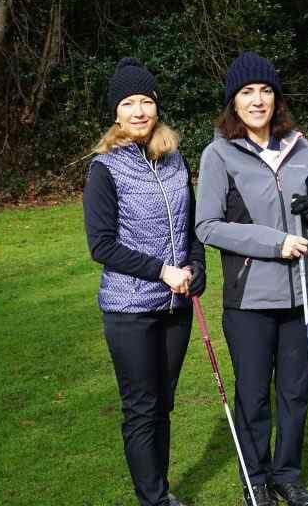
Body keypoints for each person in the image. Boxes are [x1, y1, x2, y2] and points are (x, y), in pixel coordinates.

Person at [195, 52, 308, 506]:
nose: (258, 100)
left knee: (295, 392)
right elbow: (207, 226)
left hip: (304, 291)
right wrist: (274, 243)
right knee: (253, 397)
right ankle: (255, 482)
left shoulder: (299, 146)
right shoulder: (218, 154)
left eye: (266, 91)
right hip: (250, 298)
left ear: (277, 98)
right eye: (247, 92)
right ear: (233, 102)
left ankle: (287, 476)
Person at [82, 57, 205, 506]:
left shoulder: (174, 159)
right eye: (128, 103)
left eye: (146, 102)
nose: (138, 111)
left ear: (156, 107)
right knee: (141, 407)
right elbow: (101, 246)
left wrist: (196, 268)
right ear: (116, 113)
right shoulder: (105, 168)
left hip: (175, 306)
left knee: (163, 404)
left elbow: (191, 227)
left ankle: (161, 490)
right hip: (129, 309)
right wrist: (161, 271)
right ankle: (153, 499)